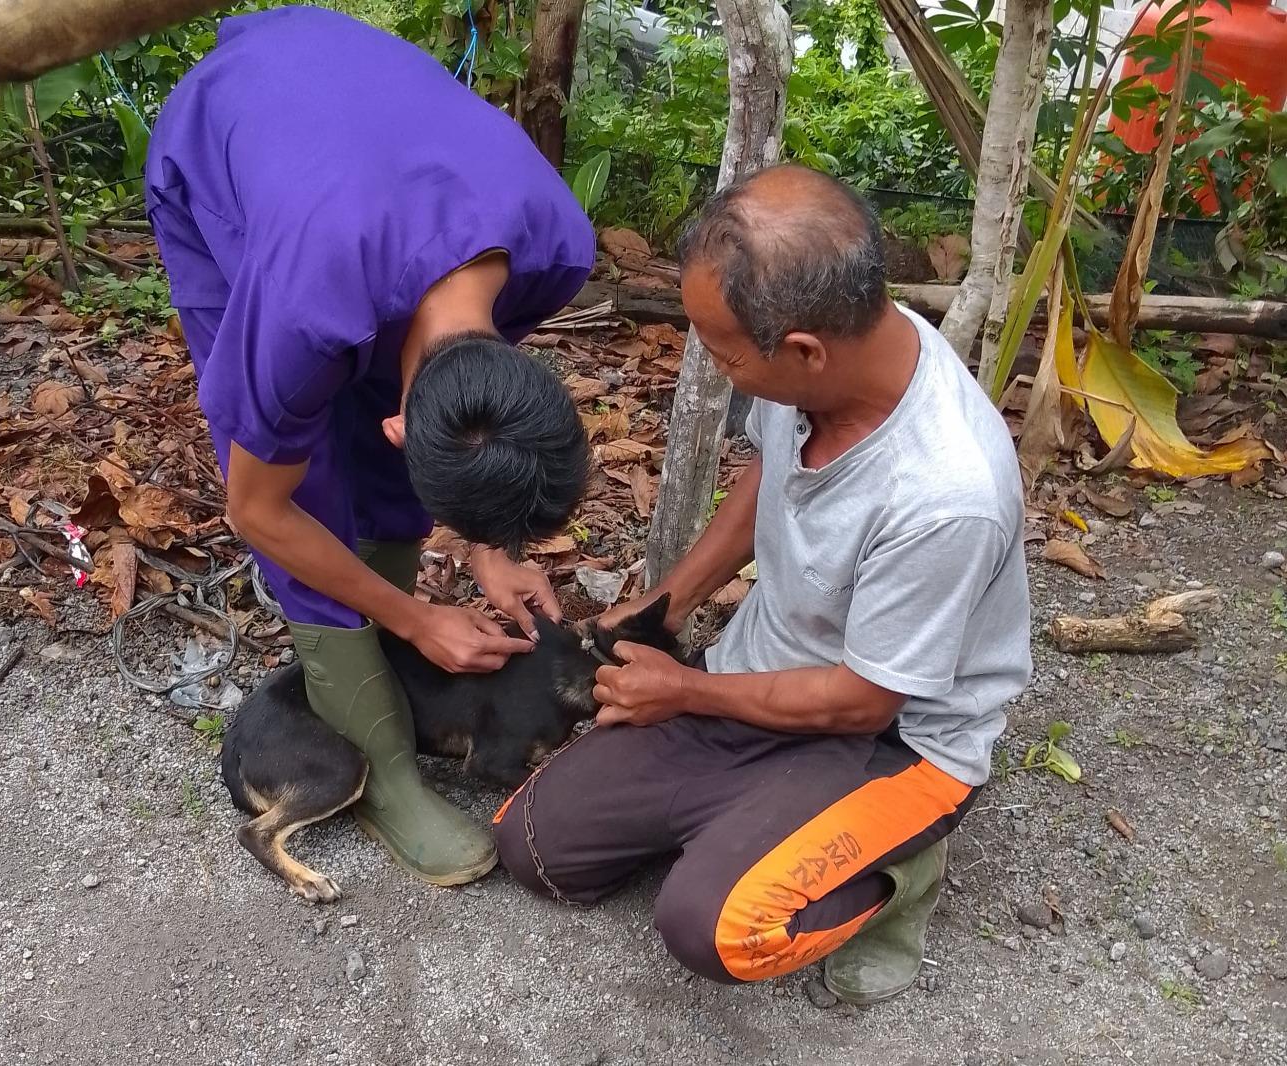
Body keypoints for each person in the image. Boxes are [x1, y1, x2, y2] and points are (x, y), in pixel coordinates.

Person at [494, 165, 1032, 1004]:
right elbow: (769, 476)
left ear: (805, 352)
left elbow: (863, 703)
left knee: (715, 929)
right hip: (759, 675)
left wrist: (682, 692)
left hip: (894, 742)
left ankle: (901, 874)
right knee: (533, 846)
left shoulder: (945, 494)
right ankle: (751, 820)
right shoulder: (838, 354)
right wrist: (671, 600)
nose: (706, 361)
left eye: (718, 349)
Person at [145, 7, 596, 887]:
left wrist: (490, 547)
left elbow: (475, 415)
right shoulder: (299, 312)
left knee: (387, 478)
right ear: (397, 419)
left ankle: (374, 659)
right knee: (300, 486)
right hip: (229, 137)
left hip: (349, 121)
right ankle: (379, 761)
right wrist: (417, 617)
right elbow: (255, 510)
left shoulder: (559, 248)